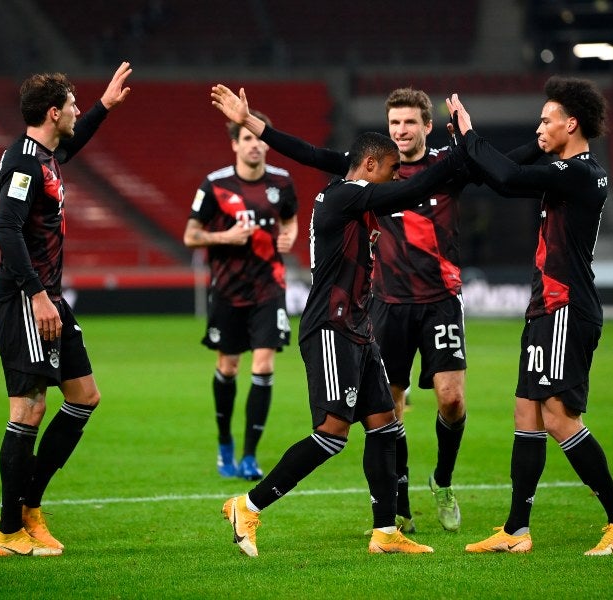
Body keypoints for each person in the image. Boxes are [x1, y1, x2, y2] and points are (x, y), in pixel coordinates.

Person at [211, 84, 544, 533]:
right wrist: (254, 125)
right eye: (394, 124)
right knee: (371, 417)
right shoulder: (361, 181)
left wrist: (533, 145)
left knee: (439, 403)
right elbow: (308, 152)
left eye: (409, 122)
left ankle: (428, 492)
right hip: (377, 306)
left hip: (436, 298)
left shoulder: (426, 168)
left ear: (427, 125)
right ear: (378, 148)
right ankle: (393, 512)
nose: (402, 131)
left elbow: (502, 165)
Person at [221, 130, 471, 557]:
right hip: (330, 330)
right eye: (392, 169)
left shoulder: (354, 190)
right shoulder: (346, 195)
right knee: (332, 434)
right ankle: (248, 506)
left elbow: (313, 151)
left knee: (384, 425)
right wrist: (465, 150)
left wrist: (261, 127)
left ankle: (385, 532)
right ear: (371, 165)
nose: (397, 177)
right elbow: (415, 186)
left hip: (359, 328)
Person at [446, 76, 613, 556]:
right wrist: (470, 148)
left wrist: (472, 135)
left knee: (558, 418)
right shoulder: (570, 167)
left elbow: (509, 179)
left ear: (570, 123)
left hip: (565, 307)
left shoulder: (577, 172)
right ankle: (516, 531)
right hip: (546, 306)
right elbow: (499, 173)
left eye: (545, 118)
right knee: (527, 413)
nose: (539, 126)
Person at [0, 62, 132, 557]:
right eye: (72, 103)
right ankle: (9, 530)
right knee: (29, 408)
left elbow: (75, 140)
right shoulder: (23, 162)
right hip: (25, 298)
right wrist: (35, 293)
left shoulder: (47, 156)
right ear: (53, 112)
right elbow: (6, 231)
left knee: (84, 397)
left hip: (47, 295)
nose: (77, 109)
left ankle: (30, 504)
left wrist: (104, 108)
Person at [183, 110, 298, 481]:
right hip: (228, 291)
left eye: (258, 137)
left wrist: (290, 234)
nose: (254, 144)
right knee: (228, 368)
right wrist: (224, 238)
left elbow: (292, 217)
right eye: (246, 138)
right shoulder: (215, 185)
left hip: (269, 288)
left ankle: (250, 456)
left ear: (266, 142)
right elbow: (190, 234)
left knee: (263, 365)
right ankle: (224, 444)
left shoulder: (281, 182)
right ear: (235, 144)